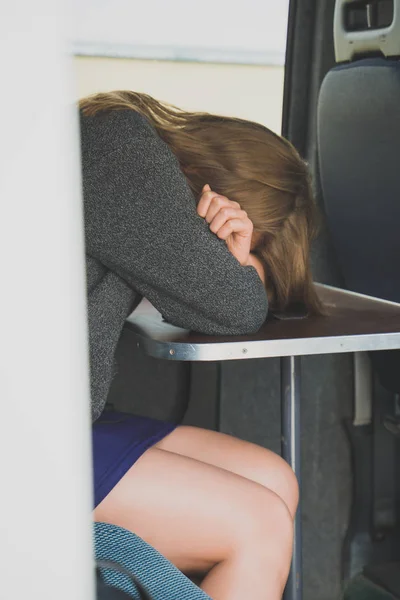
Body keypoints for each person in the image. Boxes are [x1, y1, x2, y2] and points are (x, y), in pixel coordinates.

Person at [79, 91, 322, 600]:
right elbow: (233, 306)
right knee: (258, 526)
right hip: (24, 435)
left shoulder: (130, 172)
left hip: (72, 419)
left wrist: (226, 272)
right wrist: (229, 274)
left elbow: (220, 294)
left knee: (274, 479)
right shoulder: (117, 145)